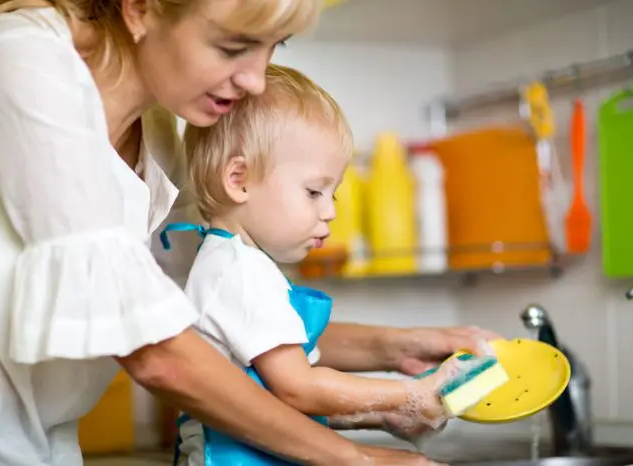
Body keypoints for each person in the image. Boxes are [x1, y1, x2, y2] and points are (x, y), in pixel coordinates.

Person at [0, 0, 497, 465]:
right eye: (233, 46)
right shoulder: (22, 62)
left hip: (43, 445)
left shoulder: (160, 131)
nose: (256, 80)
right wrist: (356, 452)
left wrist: (402, 346)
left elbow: (223, 316)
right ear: (140, 8)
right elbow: (155, 350)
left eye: (272, 47)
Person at [163, 63, 477, 466]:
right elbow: (299, 389)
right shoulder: (238, 274)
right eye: (313, 191)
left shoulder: (235, 262)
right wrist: (408, 397)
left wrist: (383, 413)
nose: (329, 211)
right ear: (239, 179)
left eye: (333, 193)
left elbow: (280, 396)